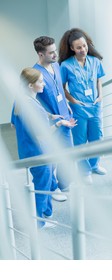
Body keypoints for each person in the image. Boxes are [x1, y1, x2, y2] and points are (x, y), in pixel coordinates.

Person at [12, 68, 76, 228]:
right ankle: (38, 222)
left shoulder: (22, 100)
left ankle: (46, 213)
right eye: (40, 82)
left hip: (29, 150)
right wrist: (59, 123)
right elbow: (41, 135)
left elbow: (15, 124)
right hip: (39, 152)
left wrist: (49, 116)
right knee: (42, 186)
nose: (44, 85)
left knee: (45, 181)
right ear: (30, 85)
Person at [59, 28, 106, 184]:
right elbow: (62, 87)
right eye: (78, 47)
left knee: (97, 138)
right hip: (78, 108)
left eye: (84, 46)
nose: (83, 50)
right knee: (80, 141)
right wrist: (72, 100)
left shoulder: (95, 61)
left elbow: (99, 79)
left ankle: (94, 165)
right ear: (72, 48)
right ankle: (84, 171)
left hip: (94, 106)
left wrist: (100, 95)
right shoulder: (65, 66)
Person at [33, 36, 74, 201]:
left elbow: (60, 89)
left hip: (65, 119)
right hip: (50, 123)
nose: (55, 55)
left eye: (55, 50)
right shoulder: (35, 74)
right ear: (41, 54)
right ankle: (52, 188)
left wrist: (66, 104)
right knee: (52, 158)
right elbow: (31, 99)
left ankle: (63, 184)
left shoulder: (56, 66)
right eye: (51, 53)